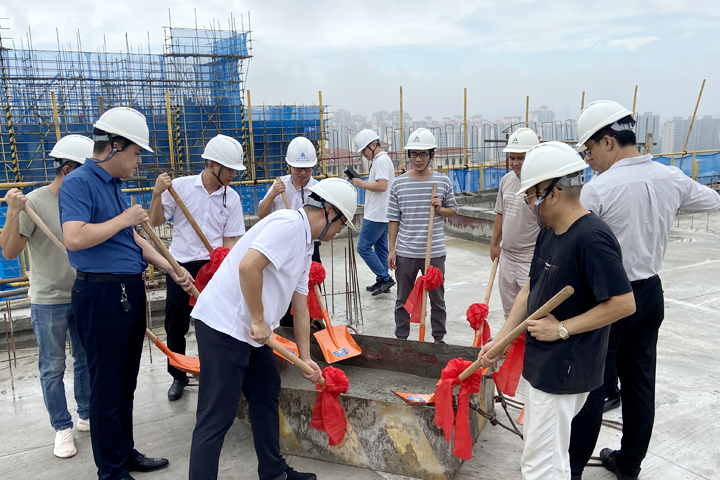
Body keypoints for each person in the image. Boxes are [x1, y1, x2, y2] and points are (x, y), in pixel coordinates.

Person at [568, 100, 720, 480]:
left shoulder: (597, 190)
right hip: (650, 295)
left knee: (592, 388)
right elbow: (712, 200)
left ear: (608, 141)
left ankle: (571, 469)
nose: (588, 159)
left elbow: (574, 242)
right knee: (639, 385)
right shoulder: (671, 178)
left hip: (610, 301)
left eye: (589, 149)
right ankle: (629, 464)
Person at [478, 141, 636, 480]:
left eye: (530, 197)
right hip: (545, 364)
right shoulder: (550, 232)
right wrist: (502, 340)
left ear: (552, 194)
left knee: (540, 465)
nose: (529, 205)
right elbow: (529, 289)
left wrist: (561, 328)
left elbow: (624, 303)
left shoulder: (592, 238)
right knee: (552, 456)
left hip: (566, 369)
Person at [188, 178, 358, 480]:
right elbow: (248, 266)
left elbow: (301, 303)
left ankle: (273, 471)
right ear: (329, 212)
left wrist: (305, 357)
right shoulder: (288, 226)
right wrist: (257, 319)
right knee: (217, 416)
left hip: (253, 333)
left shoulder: (307, 243)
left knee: (266, 392)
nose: (338, 232)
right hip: (224, 326)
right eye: (342, 225)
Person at [59, 107, 194, 480]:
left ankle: (124, 452)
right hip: (101, 294)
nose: (138, 162)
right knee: (107, 386)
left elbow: (133, 239)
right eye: (136, 154)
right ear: (114, 146)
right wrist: (124, 218)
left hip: (127, 291)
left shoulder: (113, 188)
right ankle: (112, 470)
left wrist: (172, 268)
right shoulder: (79, 182)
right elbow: (74, 237)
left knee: (125, 383)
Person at [0, 135, 93, 459]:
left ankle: (86, 413)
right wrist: (12, 213)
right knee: (53, 366)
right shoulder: (35, 203)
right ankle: (62, 427)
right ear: (68, 170)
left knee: (86, 359)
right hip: (49, 300)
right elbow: (9, 251)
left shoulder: (83, 199)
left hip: (83, 293)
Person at [148, 134, 246, 401]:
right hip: (179, 266)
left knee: (211, 325)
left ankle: (211, 373)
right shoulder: (180, 188)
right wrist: (157, 194)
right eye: (230, 170)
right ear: (213, 165)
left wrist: (224, 264)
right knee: (175, 324)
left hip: (211, 267)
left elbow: (230, 239)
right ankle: (178, 375)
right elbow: (156, 222)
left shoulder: (231, 198)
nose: (233, 175)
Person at [387, 128, 458, 342]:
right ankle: (402, 339)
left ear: (431, 155)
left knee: (437, 299)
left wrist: (440, 208)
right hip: (406, 252)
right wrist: (392, 250)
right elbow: (393, 219)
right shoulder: (398, 184)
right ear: (409, 155)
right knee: (403, 299)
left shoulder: (442, 182)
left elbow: (453, 210)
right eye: (414, 154)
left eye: (423, 154)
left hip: (434, 252)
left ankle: (438, 340)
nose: (418, 159)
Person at [258, 136, 321, 328]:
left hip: (309, 248)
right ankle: (286, 331)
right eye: (298, 168)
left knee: (310, 295)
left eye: (307, 169)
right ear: (288, 165)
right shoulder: (280, 186)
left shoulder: (318, 189)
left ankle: (311, 331)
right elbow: (262, 214)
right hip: (283, 250)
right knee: (284, 295)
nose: (303, 173)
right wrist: (273, 194)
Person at [490, 127, 540, 318]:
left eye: (520, 158)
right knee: (509, 313)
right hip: (507, 256)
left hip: (530, 258)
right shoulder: (506, 181)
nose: (515, 163)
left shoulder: (540, 185)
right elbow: (500, 214)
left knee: (531, 311)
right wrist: (494, 244)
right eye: (512, 158)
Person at [351, 129, 396, 295]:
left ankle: (385, 278)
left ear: (372, 145)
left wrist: (361, 184)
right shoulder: (381, 160)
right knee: (381, 248)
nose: (363, 154)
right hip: (382, 213)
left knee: (363, 247)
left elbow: (382, 186)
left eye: (364, 150)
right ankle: (382, 281)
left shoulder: (381, 161)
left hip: (377, 214)